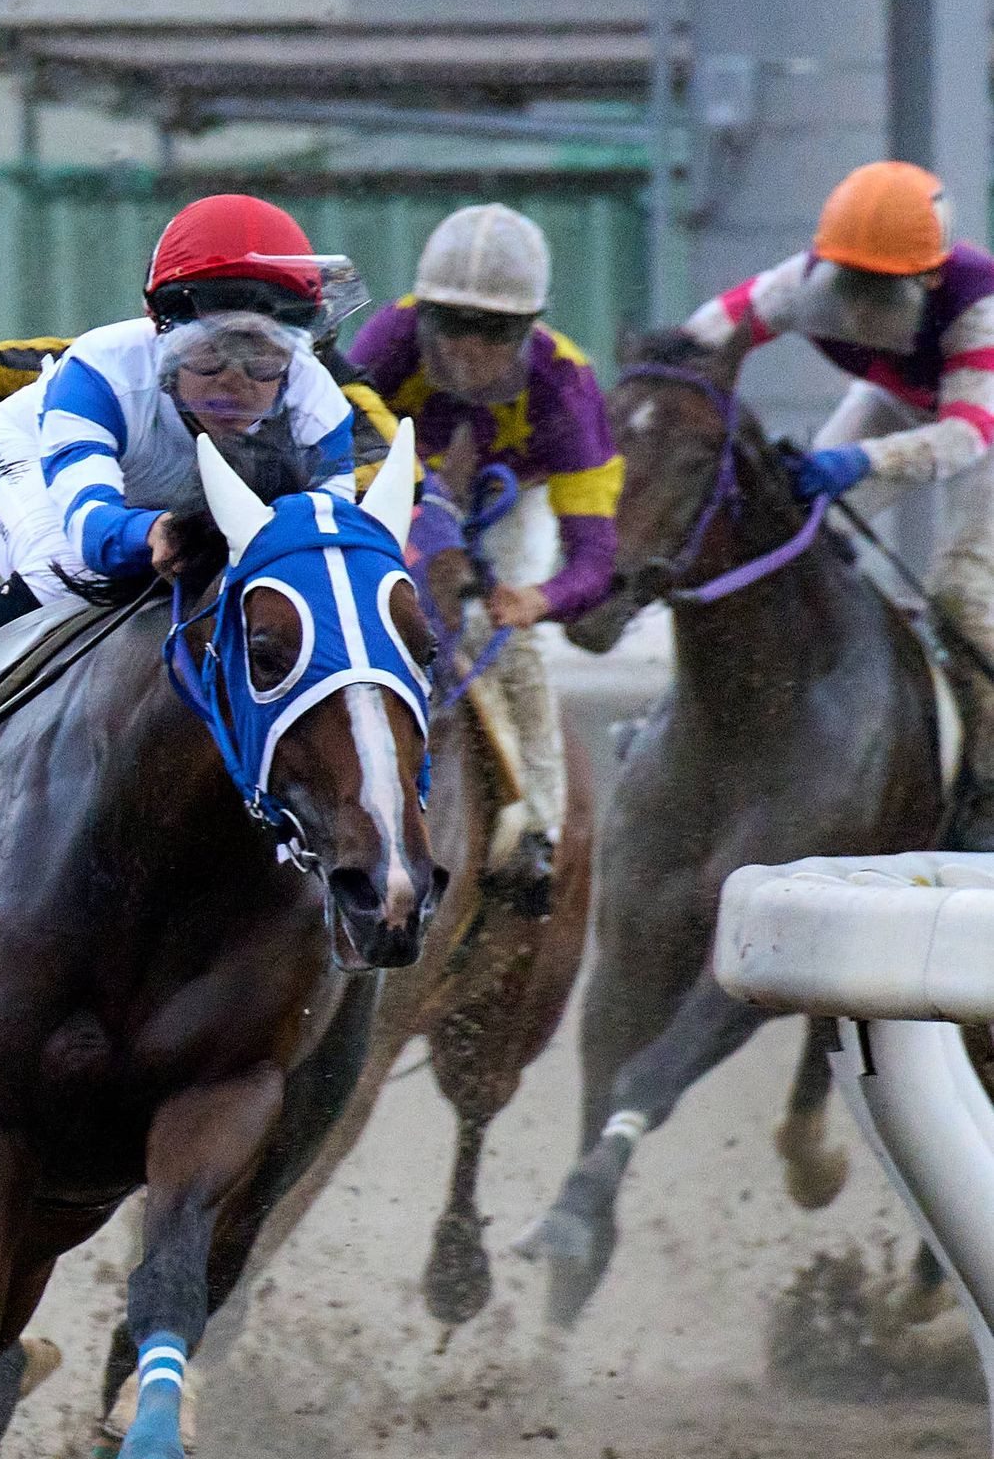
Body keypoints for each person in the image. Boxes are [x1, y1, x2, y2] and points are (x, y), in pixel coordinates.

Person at [0, 193, 362, 856]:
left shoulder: (319, 407)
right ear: (163, 334)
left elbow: (324, 556)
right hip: (36, 465)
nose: (234, 384)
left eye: (263, 359)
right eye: (209, 356)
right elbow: (92, 529)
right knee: (70, 575)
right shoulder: (100, 370)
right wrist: (151, 536)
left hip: (176, 498)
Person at [344, 203, 623, 907]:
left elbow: (595, 557)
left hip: (511, 502)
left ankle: (540, 828)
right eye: (450, 323)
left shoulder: (568, 387)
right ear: (422, 312)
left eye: (493, 330)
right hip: (406, 482)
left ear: (530, 328)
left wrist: (539, 599)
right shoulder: (390, 337)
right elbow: (338, 442)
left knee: (503, 637)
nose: (467, 349)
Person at [678, 160, 994, 659]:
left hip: (980, 427)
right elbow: (696, 342)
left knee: (963, 598)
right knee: (790, 537)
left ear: (933, 276)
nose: (860, 307)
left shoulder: (977, 304)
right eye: (849, 280)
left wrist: (865, 459)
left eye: (882, 286)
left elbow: (966, 436)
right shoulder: (798, 281)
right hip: (896, 400)